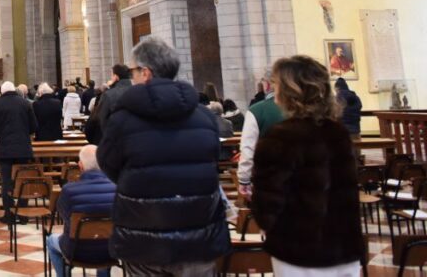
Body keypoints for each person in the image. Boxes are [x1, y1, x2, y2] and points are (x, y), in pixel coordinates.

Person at [98, 38, 228, 273]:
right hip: (198, 235)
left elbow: (108, 163)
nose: (132, 76)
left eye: (133, 71)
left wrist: (137, 180)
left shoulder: (122, 120)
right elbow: (213, 160)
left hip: (145, 235)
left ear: (145, 73)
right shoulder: (206, 117)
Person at [251, 56, 361, 276]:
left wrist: (268, 225)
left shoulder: (281, 137)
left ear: (290, 92)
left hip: (299, 249)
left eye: (277, 84)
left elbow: (268, 202)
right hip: (342, 245)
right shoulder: (337, 132)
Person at [47, 144, 116, 277]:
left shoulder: (69, 190)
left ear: (80, 165)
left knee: (50, 240)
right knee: (104, 237)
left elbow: (65, 217)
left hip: (76, 250)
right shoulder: (116, 188)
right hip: (109, 250)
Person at [0, 81, 38, 223]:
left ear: (2, 92)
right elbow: (34, 126)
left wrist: (0, 132)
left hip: (5, 149)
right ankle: (23, 215)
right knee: (23, 181)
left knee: (7, 182)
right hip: (23, 148)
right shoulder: (25, 103)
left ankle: (9, 216)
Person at [237, 71, 284, 202]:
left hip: (269, 176)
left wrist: (244, 179)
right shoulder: (302, 107)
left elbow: (248, 148)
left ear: (268, 84)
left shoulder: (257, 110)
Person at [93, 64, 132, 143]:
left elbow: (102, 119)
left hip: (116, 141)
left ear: (116, 77)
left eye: (112, 75)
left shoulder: (109, 94)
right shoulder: (139, 90)